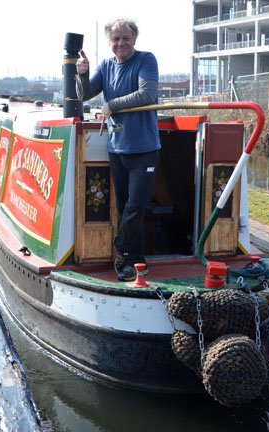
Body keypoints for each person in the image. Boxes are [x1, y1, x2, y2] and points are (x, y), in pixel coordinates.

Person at [76, 18, 160, 281]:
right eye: (116, 39)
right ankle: (137, 260)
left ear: (134, 38)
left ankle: (122, 251)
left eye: (126, 38)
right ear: (110, 42)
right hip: (117, 148)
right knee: (124, 207)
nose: (121, 43)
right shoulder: (106, 65)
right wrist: (81, 73)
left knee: (137, 205)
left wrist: (112, 104)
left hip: (144, 148)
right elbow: (85, 94)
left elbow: (147, 94)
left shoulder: (146, 60)